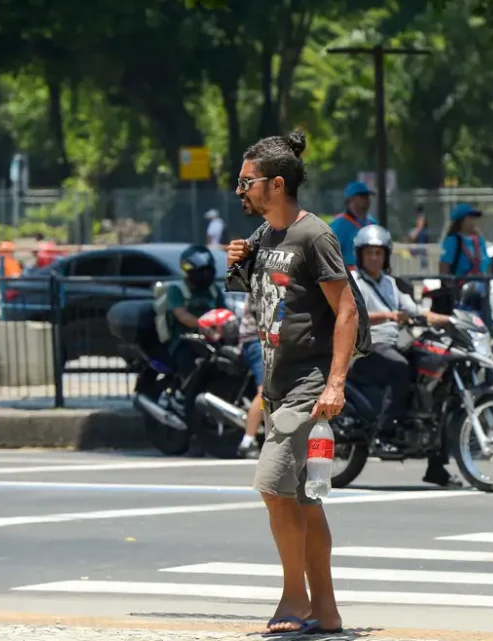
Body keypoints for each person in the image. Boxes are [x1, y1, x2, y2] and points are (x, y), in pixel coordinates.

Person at [227, 131, 358, 636]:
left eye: (247, 182)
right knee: (303, 499)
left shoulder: (314, 236)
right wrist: (239, 262)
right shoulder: (264, 237)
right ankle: (326, 611)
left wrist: (336, 383)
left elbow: (344, 310)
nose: (240, 191)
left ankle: (293, 597)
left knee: (272, 486)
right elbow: (264, 298)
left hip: (310, 384)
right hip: (279, 384)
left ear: (276, 184)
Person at [346, 224, 463, 488]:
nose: (374, 258)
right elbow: (352, 316)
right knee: (399, 367)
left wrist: (449, 320)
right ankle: (383, 434)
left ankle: (436, 465)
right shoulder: (353, 282)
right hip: (366, 348)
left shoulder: (390, 284)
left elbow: (415, 311)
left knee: (437, 381)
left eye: (379, 253)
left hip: (394, 344)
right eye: (369, 253)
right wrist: (388, 316)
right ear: (360, 255)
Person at [165, 245, 226, 379]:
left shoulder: (214, 290)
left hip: (213, 342)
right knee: (191, 372)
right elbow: (181, 315)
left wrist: (222, 329)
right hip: (184, 343)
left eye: (208, 270)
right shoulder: (177, 289)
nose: (205, 275)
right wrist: (204, 325)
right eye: (201, 271)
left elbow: (224, 313)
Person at [237, 294, 265, 459]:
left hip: (269, 339)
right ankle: (247, 441)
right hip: (256, 339)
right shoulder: (263, 275)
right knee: (265, 391)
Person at [331, 181, 378, 269]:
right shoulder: (339, 224)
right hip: (349, 277)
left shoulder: (372, 223)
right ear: (350, 199)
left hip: (372, 274)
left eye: (367, 195)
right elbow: (330, 254)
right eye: (362, 195)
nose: (366, 199)